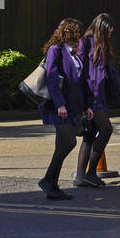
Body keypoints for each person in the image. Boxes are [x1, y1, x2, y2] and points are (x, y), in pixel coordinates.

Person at [75, 13, 120, 188]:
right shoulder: (85, 42)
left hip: (101, 96)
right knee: (106, 129)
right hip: (90, 96)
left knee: (90, 136)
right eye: (108, 31)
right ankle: (90, 173)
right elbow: (79, 69)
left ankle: (81, 177)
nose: (110, 35)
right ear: (100, 28)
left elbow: (111, 72)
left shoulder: (104, 45)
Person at [38, 17, 89, 200]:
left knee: (62, 145)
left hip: (71, 106)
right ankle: (48, 181)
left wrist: (86, 106)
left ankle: (51, 184)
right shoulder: (55, 50)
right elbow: (52, 77)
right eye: (78, 31)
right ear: (68, 32)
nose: (81, 35)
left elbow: (78, 82)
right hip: (59, 107)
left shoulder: (71, 52)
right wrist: (59, 103)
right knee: (68, 143)